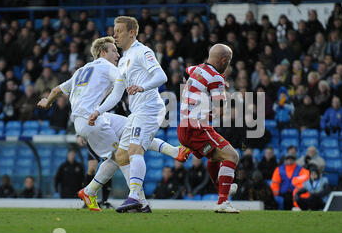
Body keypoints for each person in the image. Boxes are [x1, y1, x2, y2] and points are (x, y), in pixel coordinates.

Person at [38, 35, 189, 212]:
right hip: (91, 121)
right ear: (103, 52)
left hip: (94, 117)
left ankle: (174, 151)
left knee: (133, 131)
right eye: (114, 51)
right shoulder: (107, 67)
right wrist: (147, 86)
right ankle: (137, 201)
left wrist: (47, 102)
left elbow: (57, 90)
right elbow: (126, 79)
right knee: (120, 155)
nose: (117, 55)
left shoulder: (82, 70)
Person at [88, 17, 190, 213]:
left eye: (119, 31)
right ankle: (142, 204)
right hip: (138, 111)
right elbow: (117, 93)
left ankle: (134, 196)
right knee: (121, 155)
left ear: (132, 33)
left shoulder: (143, 52)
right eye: (114, 30)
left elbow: (162, 76)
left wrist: (142, 86)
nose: (115, 34)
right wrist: (98, 110)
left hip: (150, 108)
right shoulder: (124, 59)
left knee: (135, 149)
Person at [176, 43, 241, 213]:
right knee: (232, 156)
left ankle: (221, 189)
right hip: (197, 128)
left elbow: (186, 72)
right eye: (229, 61)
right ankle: (223, 201)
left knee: (215, 157)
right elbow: (220, 109)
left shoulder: (196, 69)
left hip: (184, 127)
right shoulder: (217, 78)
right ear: (224, 60)